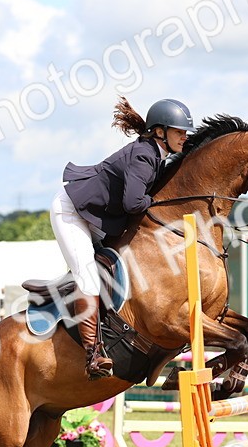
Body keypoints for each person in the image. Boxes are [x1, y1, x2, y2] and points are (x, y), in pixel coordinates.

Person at [53, 97, 194, 378]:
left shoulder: (155, 155)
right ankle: (92, 355)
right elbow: (133, 203)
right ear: (160, 132)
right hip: (73, 213)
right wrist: (157, 203)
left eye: (185, 132)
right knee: (88, 277)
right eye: (180, 132)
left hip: (99, 215)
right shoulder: (144, 155)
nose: (184, 137)